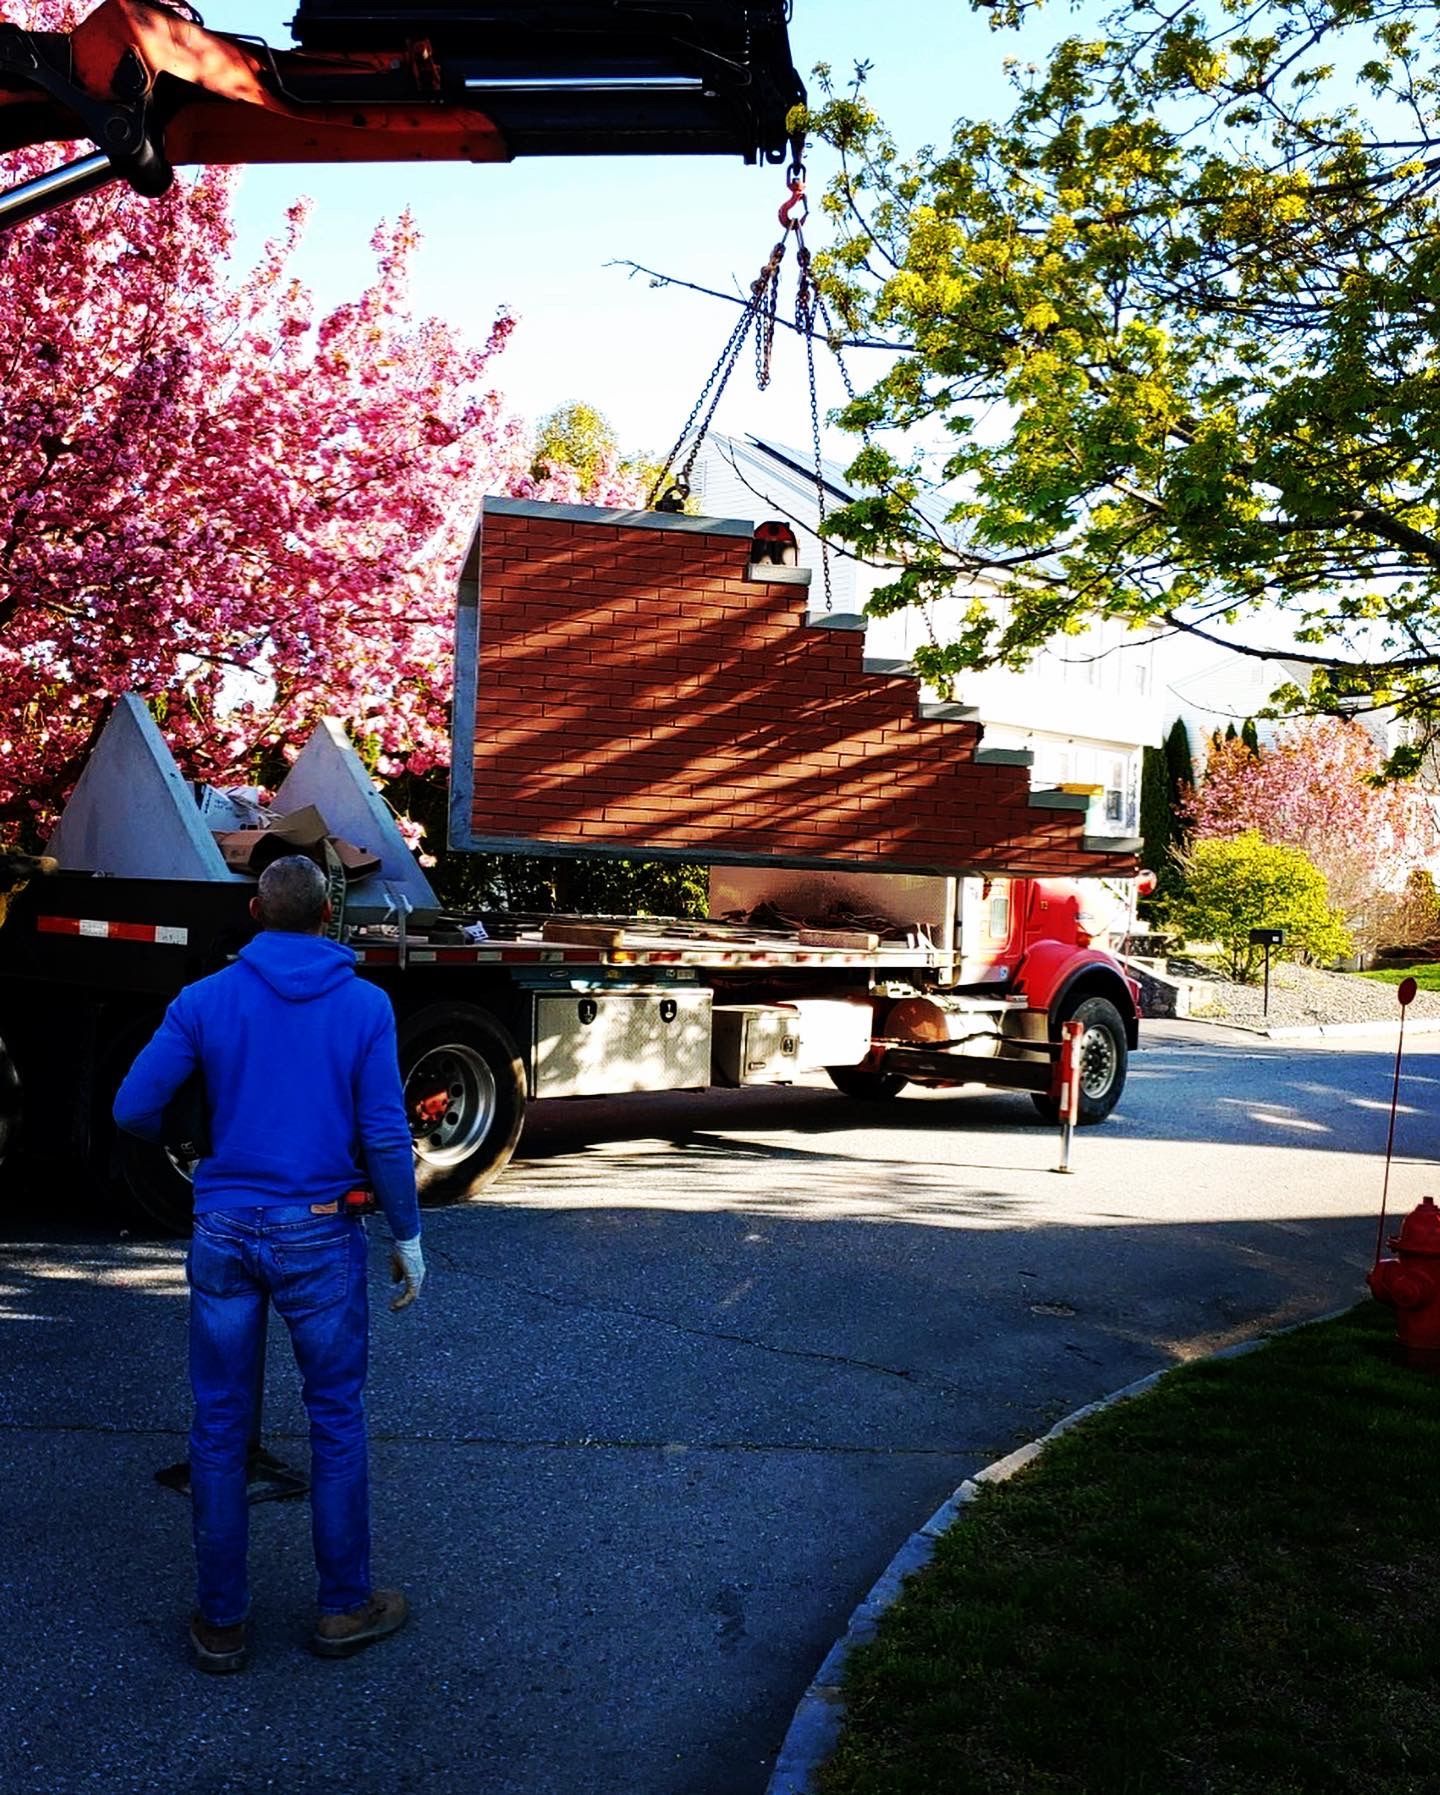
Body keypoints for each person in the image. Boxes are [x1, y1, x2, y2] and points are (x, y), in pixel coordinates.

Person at [114, 854, 425, 1674]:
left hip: (223, 1229)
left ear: (256, 911)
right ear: (327, 917)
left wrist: (191, 1145)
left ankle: (221, 1624)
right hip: (321, 1233)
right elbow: (388, 1135)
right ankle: (342, 1606)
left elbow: (132, 1107)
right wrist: (408, 1234)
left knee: (218, 1426)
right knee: (335, 1421)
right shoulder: (365, 1005)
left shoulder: (204, 1000)